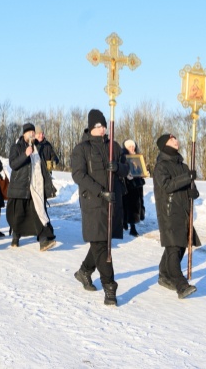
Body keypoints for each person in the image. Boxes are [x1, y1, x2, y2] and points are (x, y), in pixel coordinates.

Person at [71, 109, 129, 307]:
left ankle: (84, 271)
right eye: (98, 126)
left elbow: (127, 169)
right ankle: (109, 286)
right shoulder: (82, 149)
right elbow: (78, 175)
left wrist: (118, 168)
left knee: (101, 242)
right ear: (90, 128)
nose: (102, 129)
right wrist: (100, 191)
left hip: (112, 202)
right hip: (93, 203)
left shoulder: (114, 146)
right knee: (101, 246)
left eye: (103, 125)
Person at [154, 133, 200, 299]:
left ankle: (164, 274)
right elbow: (167, 186)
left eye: (176, 138)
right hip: (169, 212)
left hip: (183, 212)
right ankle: (181, 286)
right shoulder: (161, 166)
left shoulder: (183, 166)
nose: (176, 140)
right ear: (165, 144)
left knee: (179, 247)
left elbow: (190, 189)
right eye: (172, 139)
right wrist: (187, 177)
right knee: (174, 248)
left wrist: (193, 192)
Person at [6, 123, 57, 251]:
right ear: (24, 134)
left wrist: (51, 165)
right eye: (30, 132)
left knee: (38, 213)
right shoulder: (16, 147)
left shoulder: (38, 147)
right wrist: (25, 154)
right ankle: (15, 237)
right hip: (21, 186)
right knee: (18, 215)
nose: (32, 134)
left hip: (36, 187)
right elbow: (13, 164)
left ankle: (43, 241)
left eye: (33, 132)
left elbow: (46, 163)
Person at [122, 139, 146, 237]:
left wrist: (143, 173)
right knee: (127, 206)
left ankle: (131, 225)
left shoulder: (138, 157)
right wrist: (127, 175)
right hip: (127, 186)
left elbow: (140, 170)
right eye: (130, 147)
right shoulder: (123, 157)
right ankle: (128, 225)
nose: (132, 148)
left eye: (133, 146)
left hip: (137, 186)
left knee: (136, 205)